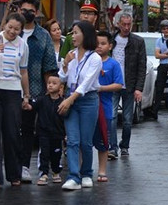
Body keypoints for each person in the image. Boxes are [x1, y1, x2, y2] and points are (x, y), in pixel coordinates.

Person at [0, 13, 30, 188]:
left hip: (12, 91)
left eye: (16, 29)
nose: (12, 31)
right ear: (5, 25)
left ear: (21, 30)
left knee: (11, 133)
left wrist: (26, 95)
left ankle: (14, 174)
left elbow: (24, 72)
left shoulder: (23, 45)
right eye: (9, 27)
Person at [16, 0, 59, 183]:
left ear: (37, 13)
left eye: (31, 11)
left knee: (27, 130)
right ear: (18, 10)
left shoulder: (43, 36)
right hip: (8, 90)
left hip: (34, 91)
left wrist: (50, 94)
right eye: (23, 9)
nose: (27, 13)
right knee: (8, 130)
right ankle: (11, 166)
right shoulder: (10, 31)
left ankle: (24, 166)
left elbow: (49, 67)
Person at [58, 21, 102, 191]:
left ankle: (87, 174)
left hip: (88, 100)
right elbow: (62, 77)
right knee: (72, 140)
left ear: (86, 35)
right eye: (72, 33)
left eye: (76, 32)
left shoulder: (95, 58)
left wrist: (69, 100)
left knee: (85, 141)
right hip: (71, 99)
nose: (73, 36)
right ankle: (73, 176)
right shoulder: (71, 54)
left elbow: (85, 84)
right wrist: (65, 63)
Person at [110, 11, 146, 157]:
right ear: (118, 24)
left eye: (129, 24)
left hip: (129, 86)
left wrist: (139, 88)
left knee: (127, 120)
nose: (126, 27)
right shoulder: (111, 40)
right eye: (123, 24)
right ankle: (112, 147)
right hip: (112, 85)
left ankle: (124, 145)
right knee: (111, 117)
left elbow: (141, 66)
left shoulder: (138, 41)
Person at [95, 31, 123, 179]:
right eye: (97, 43)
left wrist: (101, 88)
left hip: (105, 107)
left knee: (103, 140)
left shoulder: (113, 64)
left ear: (110, 46)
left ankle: (102, 171)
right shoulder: (89, 60)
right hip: (88, 107)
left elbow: (119, 84)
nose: (99, 46)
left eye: (103, 43)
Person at [34, 74, 64, 185]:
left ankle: (56, 172)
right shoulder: (42, 100)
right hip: (44, 133)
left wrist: (65, 133)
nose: (50, 85)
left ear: (60, 87)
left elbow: (65, 117)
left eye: (54, 83)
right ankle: (44, 173)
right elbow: (33, 107)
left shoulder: (62, 102)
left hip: (57, 133)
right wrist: (28, 105)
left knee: (57, 153)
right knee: (44, 153)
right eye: (49, 83)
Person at [153, 19, 168, 115]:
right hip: (162, 65)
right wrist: (167, 54)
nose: (166, 31)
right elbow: (156, 55)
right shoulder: (159, 40)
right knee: (159, 88)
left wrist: (163, 54)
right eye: (164, 29)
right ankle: (155, 111)